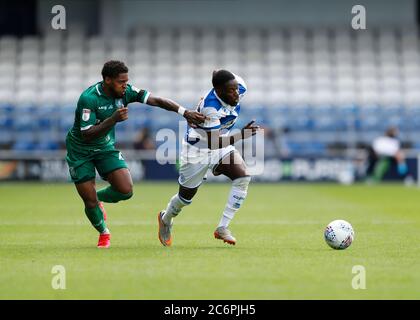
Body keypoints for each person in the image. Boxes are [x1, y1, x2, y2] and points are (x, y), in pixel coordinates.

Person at [65, 60, 205, 248]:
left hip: (105, 147)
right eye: (121, 82)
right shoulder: (89, 98)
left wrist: (184, 112)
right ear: (107, 80)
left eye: (126, 81)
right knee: (87, 201)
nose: (125, 85)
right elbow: (87, 134)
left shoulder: (125, 92)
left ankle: (97, 199)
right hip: (80, 150)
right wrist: (113, 119)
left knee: (125, 190)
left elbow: (156, 100)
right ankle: (104, 233)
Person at [158, 69, 261, 246]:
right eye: (231, 91)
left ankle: (222, 227)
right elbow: (214, 143)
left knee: (243, 177)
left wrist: (217, 73)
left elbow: (222, 77)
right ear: (219, 91)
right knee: (185, 198)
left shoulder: (239, 87)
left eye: (236, 89)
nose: (237, 93)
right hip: (196, 150)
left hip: (221, 144)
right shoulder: (210, 108)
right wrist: (241, 136)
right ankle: (165, 219)